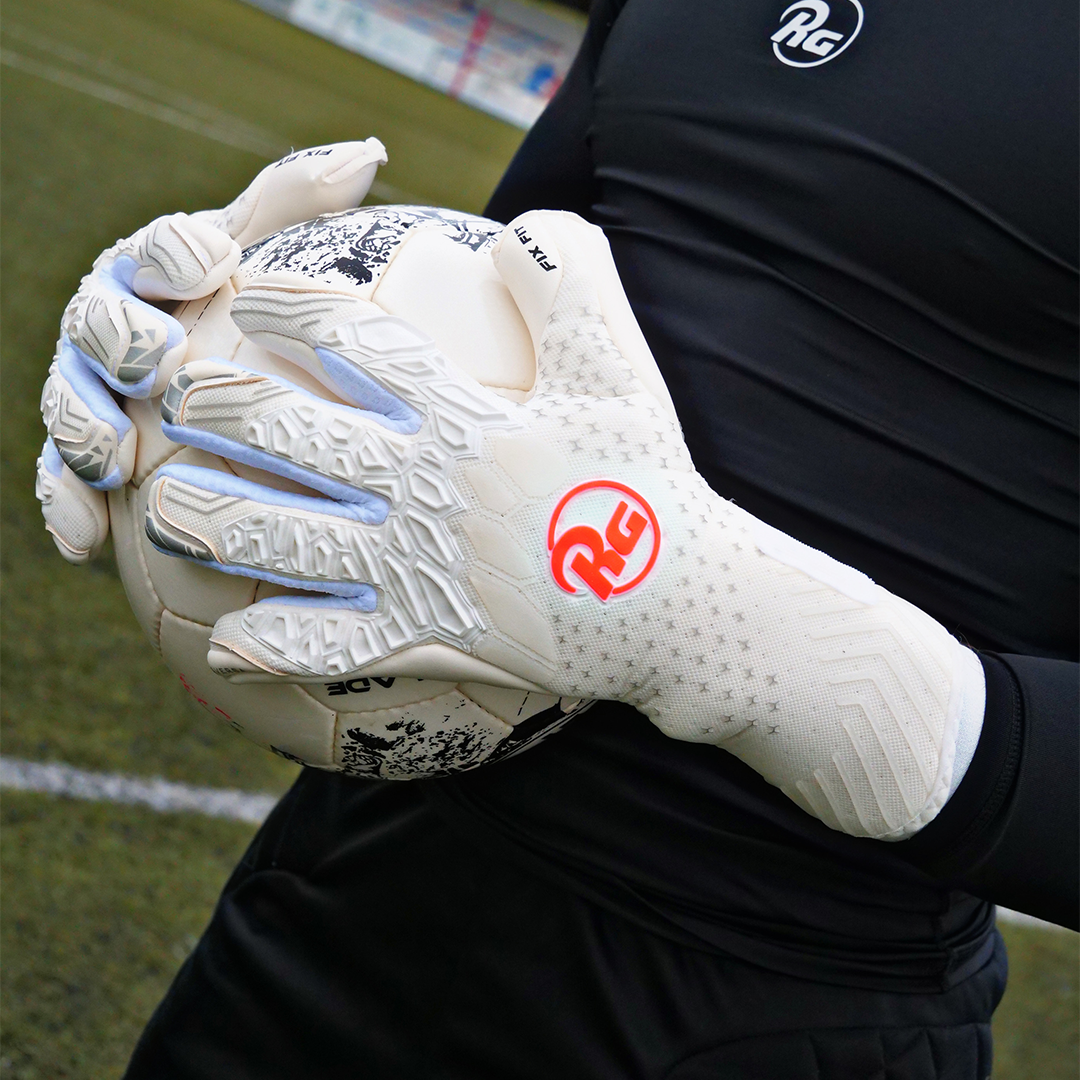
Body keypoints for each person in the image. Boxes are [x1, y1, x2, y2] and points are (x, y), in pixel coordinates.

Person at [40, 0, 1077, 1075]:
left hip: (771, 1001)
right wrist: (206, 341)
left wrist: (745, 634)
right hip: (356, 866)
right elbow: (512, 303)